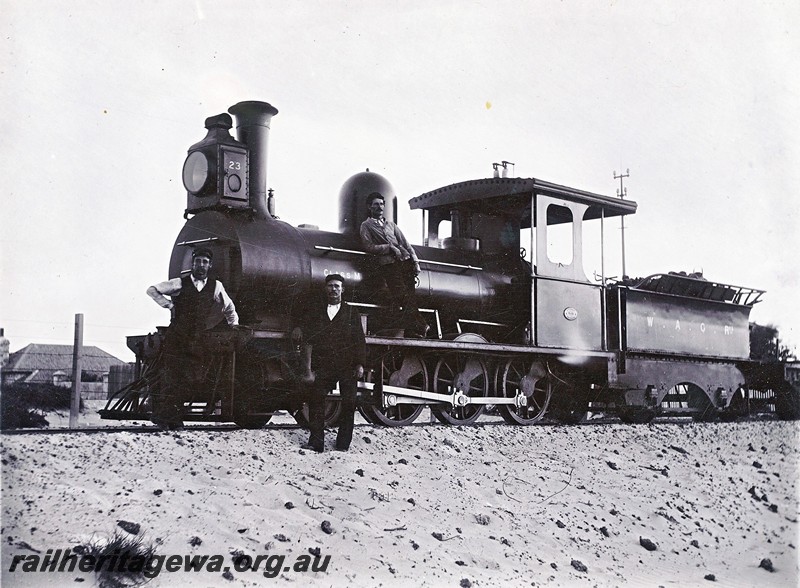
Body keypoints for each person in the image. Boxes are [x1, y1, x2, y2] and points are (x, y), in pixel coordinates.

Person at [146, 247, 239, 430]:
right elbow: (152, 290)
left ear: (210, 265)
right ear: (193, 263)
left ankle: (169, 417)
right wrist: (169, 305)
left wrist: (233, 325)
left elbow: (229, 308)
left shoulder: (216, 286)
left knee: (191, 379)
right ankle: (169, 420)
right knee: (172, 378)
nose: (201, 265)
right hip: (177, 337)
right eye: (198, 261)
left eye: (205, 262)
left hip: (197, 340)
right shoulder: (179, 283)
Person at [292, 274, 366, 453]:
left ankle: (343, 444)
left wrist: (360, 364)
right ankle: (316, 442)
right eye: (330, 286)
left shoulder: (351, 312)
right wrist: (308, 370)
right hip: (324, 365)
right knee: (316, 399)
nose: (333, 289)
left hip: (347, 365)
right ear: (325, 289)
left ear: (343, 290)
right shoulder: (317, 312)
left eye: (337, 286)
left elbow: (359, 340)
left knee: (349, 403)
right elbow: (308, 340)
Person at [359, 192, 429, 338]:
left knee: (410, 297)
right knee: (402, 295)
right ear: (369, 207)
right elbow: (368, 246)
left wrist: (416, 262)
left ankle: (415, 329)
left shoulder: (391, 225)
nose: (380, 207)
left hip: (405, 262)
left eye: (381, 204)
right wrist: (388, 247)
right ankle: (421, 325)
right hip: (388, 264)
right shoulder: (366, 226)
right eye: (376, 204)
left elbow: (405, 243)